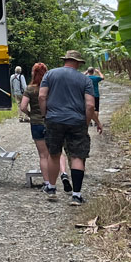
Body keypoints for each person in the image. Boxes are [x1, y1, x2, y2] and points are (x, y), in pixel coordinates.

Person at [39, 50, 101, 205]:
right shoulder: (84, 79)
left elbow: (41, 96)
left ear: (65, 60)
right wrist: (85, 123)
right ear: (79, 63)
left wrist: (45, 115)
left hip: (54, 119)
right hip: (77, 121)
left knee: (54, 154)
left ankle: (52, 189)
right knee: (77, 156)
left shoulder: (50, 74)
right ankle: (76, 195)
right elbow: (90, 105)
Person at [20, 63, 71, 193]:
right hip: (53, 121)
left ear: (33, 73)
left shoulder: (30, 89)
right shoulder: (52, 87)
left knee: (44, 155)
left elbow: (23, 107)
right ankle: (63, 173)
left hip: (37, 123)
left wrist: (31, 115)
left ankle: (48, 184)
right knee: (57, 152)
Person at [86, 67, 104, 131]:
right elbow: (102, 77)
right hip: (95, 95)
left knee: (88, 108)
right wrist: (98, 72)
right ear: (93, 72)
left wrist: (86, 72)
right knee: (96, 109)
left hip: (87, 95)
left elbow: (80, 77)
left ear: (88, 72)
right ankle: (96, 122)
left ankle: (89, 122)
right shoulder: (96, 78)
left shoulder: (85, 78)